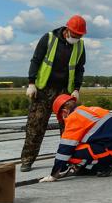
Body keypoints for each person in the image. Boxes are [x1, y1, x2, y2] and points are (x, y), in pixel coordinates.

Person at [20, 15, 87, 172]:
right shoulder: (49, 38)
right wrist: (31, 83)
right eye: (75, 34)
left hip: (64, 92)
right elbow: (36, 60)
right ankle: (27, 160)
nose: (77, 38)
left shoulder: (80, 46)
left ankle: (70, 159)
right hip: (43, 90)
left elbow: (79, 69)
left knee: (69, 127)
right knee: (35, 125)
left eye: (80, 35)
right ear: (67, 30)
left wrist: (77, 89)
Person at [39, 94, 112, 182]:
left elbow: (64, 150)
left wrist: (54, 174)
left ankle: (101, 166)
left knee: (70, 154)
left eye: (61, 115)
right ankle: (105, 165)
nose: (63, 118)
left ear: (64, 111)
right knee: (81, 144)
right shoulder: (93, 109)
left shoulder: (74, 117)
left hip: (109, 151)